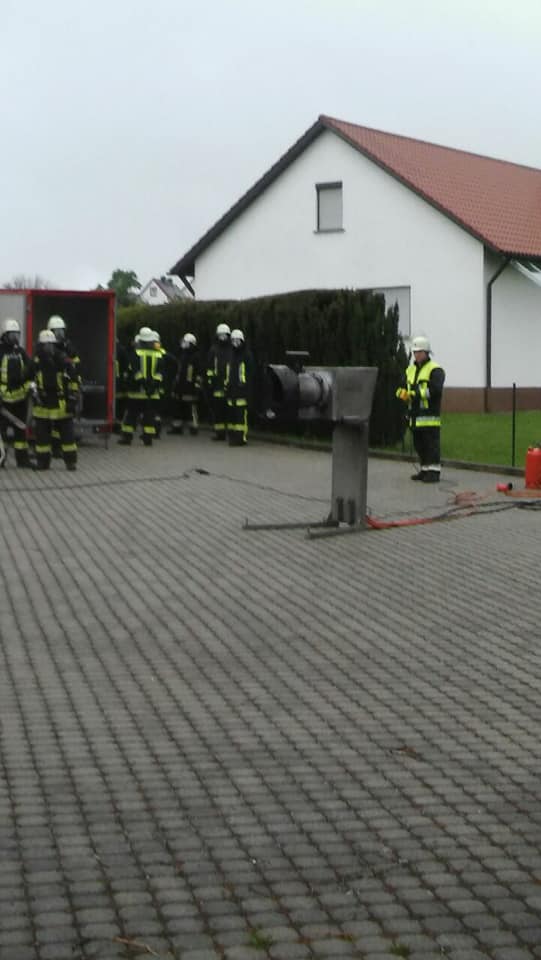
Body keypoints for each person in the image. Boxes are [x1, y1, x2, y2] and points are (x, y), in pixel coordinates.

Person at [396, 334, 445, 482]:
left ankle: (434, 471)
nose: (416, 355)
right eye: (414, 352)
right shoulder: (410, 370)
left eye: (419, 352)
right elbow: (402, 385)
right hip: (414, 414)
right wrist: (401, 393)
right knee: (419, 444)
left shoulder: (435, 370)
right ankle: (424, 469)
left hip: (429, 415)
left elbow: (435, 390)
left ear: (426, 352)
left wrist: (415, 394)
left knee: (431, 444)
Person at [29, 329, 80, 470]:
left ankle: (70, 462)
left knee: (68, 436)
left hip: (61, 403)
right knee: (42, 437)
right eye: (46, 344)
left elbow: (74, 379)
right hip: (42, 404)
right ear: (40, 346)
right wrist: (33, 392)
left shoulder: (62, 359)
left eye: (51, 344)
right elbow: (28, 378)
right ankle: (43, 462)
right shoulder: (35, 361)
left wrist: (72, 398)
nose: (48, 347)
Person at [118, 326, 163, 446]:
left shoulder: (135, 354)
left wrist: (143, 383)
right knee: (149, 416)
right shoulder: (158, 355)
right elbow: (160, 373)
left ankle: (127, 437)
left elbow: (134, 371)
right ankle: (148, 438)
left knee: (131, 415)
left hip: (136, 392)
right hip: (152, 393)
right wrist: (153, 386)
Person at [47, 314, 82, 457]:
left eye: (61, 331)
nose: (60, 335)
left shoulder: (69, 347)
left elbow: (76, 366)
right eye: (57, 332)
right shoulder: (48, 348)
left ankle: (60, 448)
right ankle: (55, 448)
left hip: (69, 388)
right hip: (55, 389)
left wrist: (74, 391)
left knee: (65, 420)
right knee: (55, 421)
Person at [0, 318, 33, 468]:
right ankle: (1, 459)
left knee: (20, 430)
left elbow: (30, 369)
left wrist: (30, 385)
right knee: (2, 432)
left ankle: (22, 460)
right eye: (12, 335)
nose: (15, 338)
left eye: (17, 335)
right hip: (4, 400)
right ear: (5, 335)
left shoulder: (20, 352)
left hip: (20, 399)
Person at [168, 333, 201, 436]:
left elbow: (199, 373)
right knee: (177, 407)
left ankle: (193, 427)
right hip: (180, 386)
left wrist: (197, 386)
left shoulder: (195, 357)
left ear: (191, 344)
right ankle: (177, 427)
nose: (183, 344)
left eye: (185, 342)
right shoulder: (182, 355)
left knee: (190, 408)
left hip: (190, 387)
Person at [225, 329, 252, 446]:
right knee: (232, 414)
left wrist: (247, 388)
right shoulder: (231, 355)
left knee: (241, 415)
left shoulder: (247, 355)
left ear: (242, 341)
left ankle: (241, 438)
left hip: (242, 390)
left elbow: (250, 373)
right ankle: (233, 435)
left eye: (238, 340)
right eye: (233, 340)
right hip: (232, 389)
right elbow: (229, 372)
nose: (235, 343)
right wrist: (227, 385)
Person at [206, 323, 232, 440]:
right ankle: (220, 433)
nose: (222, 337)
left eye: (224, 335)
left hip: (230, 385)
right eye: (220, 335)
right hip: (217, 385)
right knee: (218, 411)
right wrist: (210, 381)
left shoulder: (232, 349)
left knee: (230, 411)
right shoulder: (213, 350)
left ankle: (231, 432)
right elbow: (210, 367)